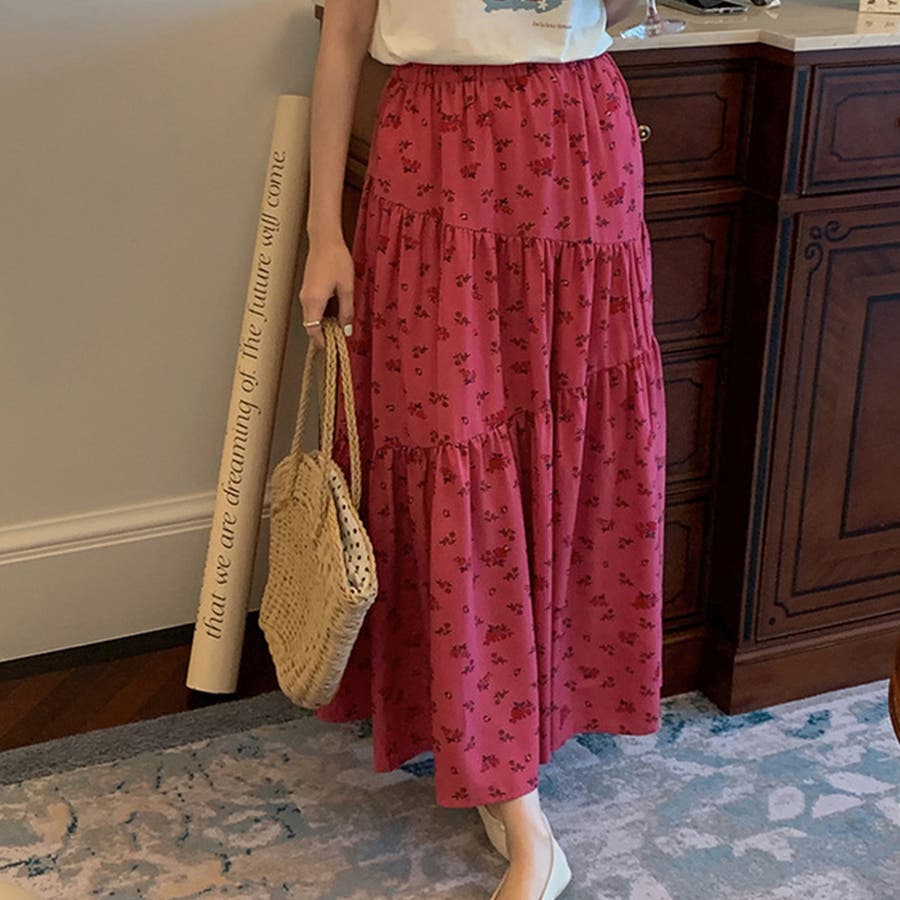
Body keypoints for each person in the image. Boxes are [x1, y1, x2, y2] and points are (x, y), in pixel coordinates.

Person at [299, 1, 665, 897]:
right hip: (434, 151)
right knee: (449, 438)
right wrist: (323, 235)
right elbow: (341, 36)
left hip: (581, 142)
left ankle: (520, 748)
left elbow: (620, 13)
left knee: (573, 445)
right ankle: (507, 780)